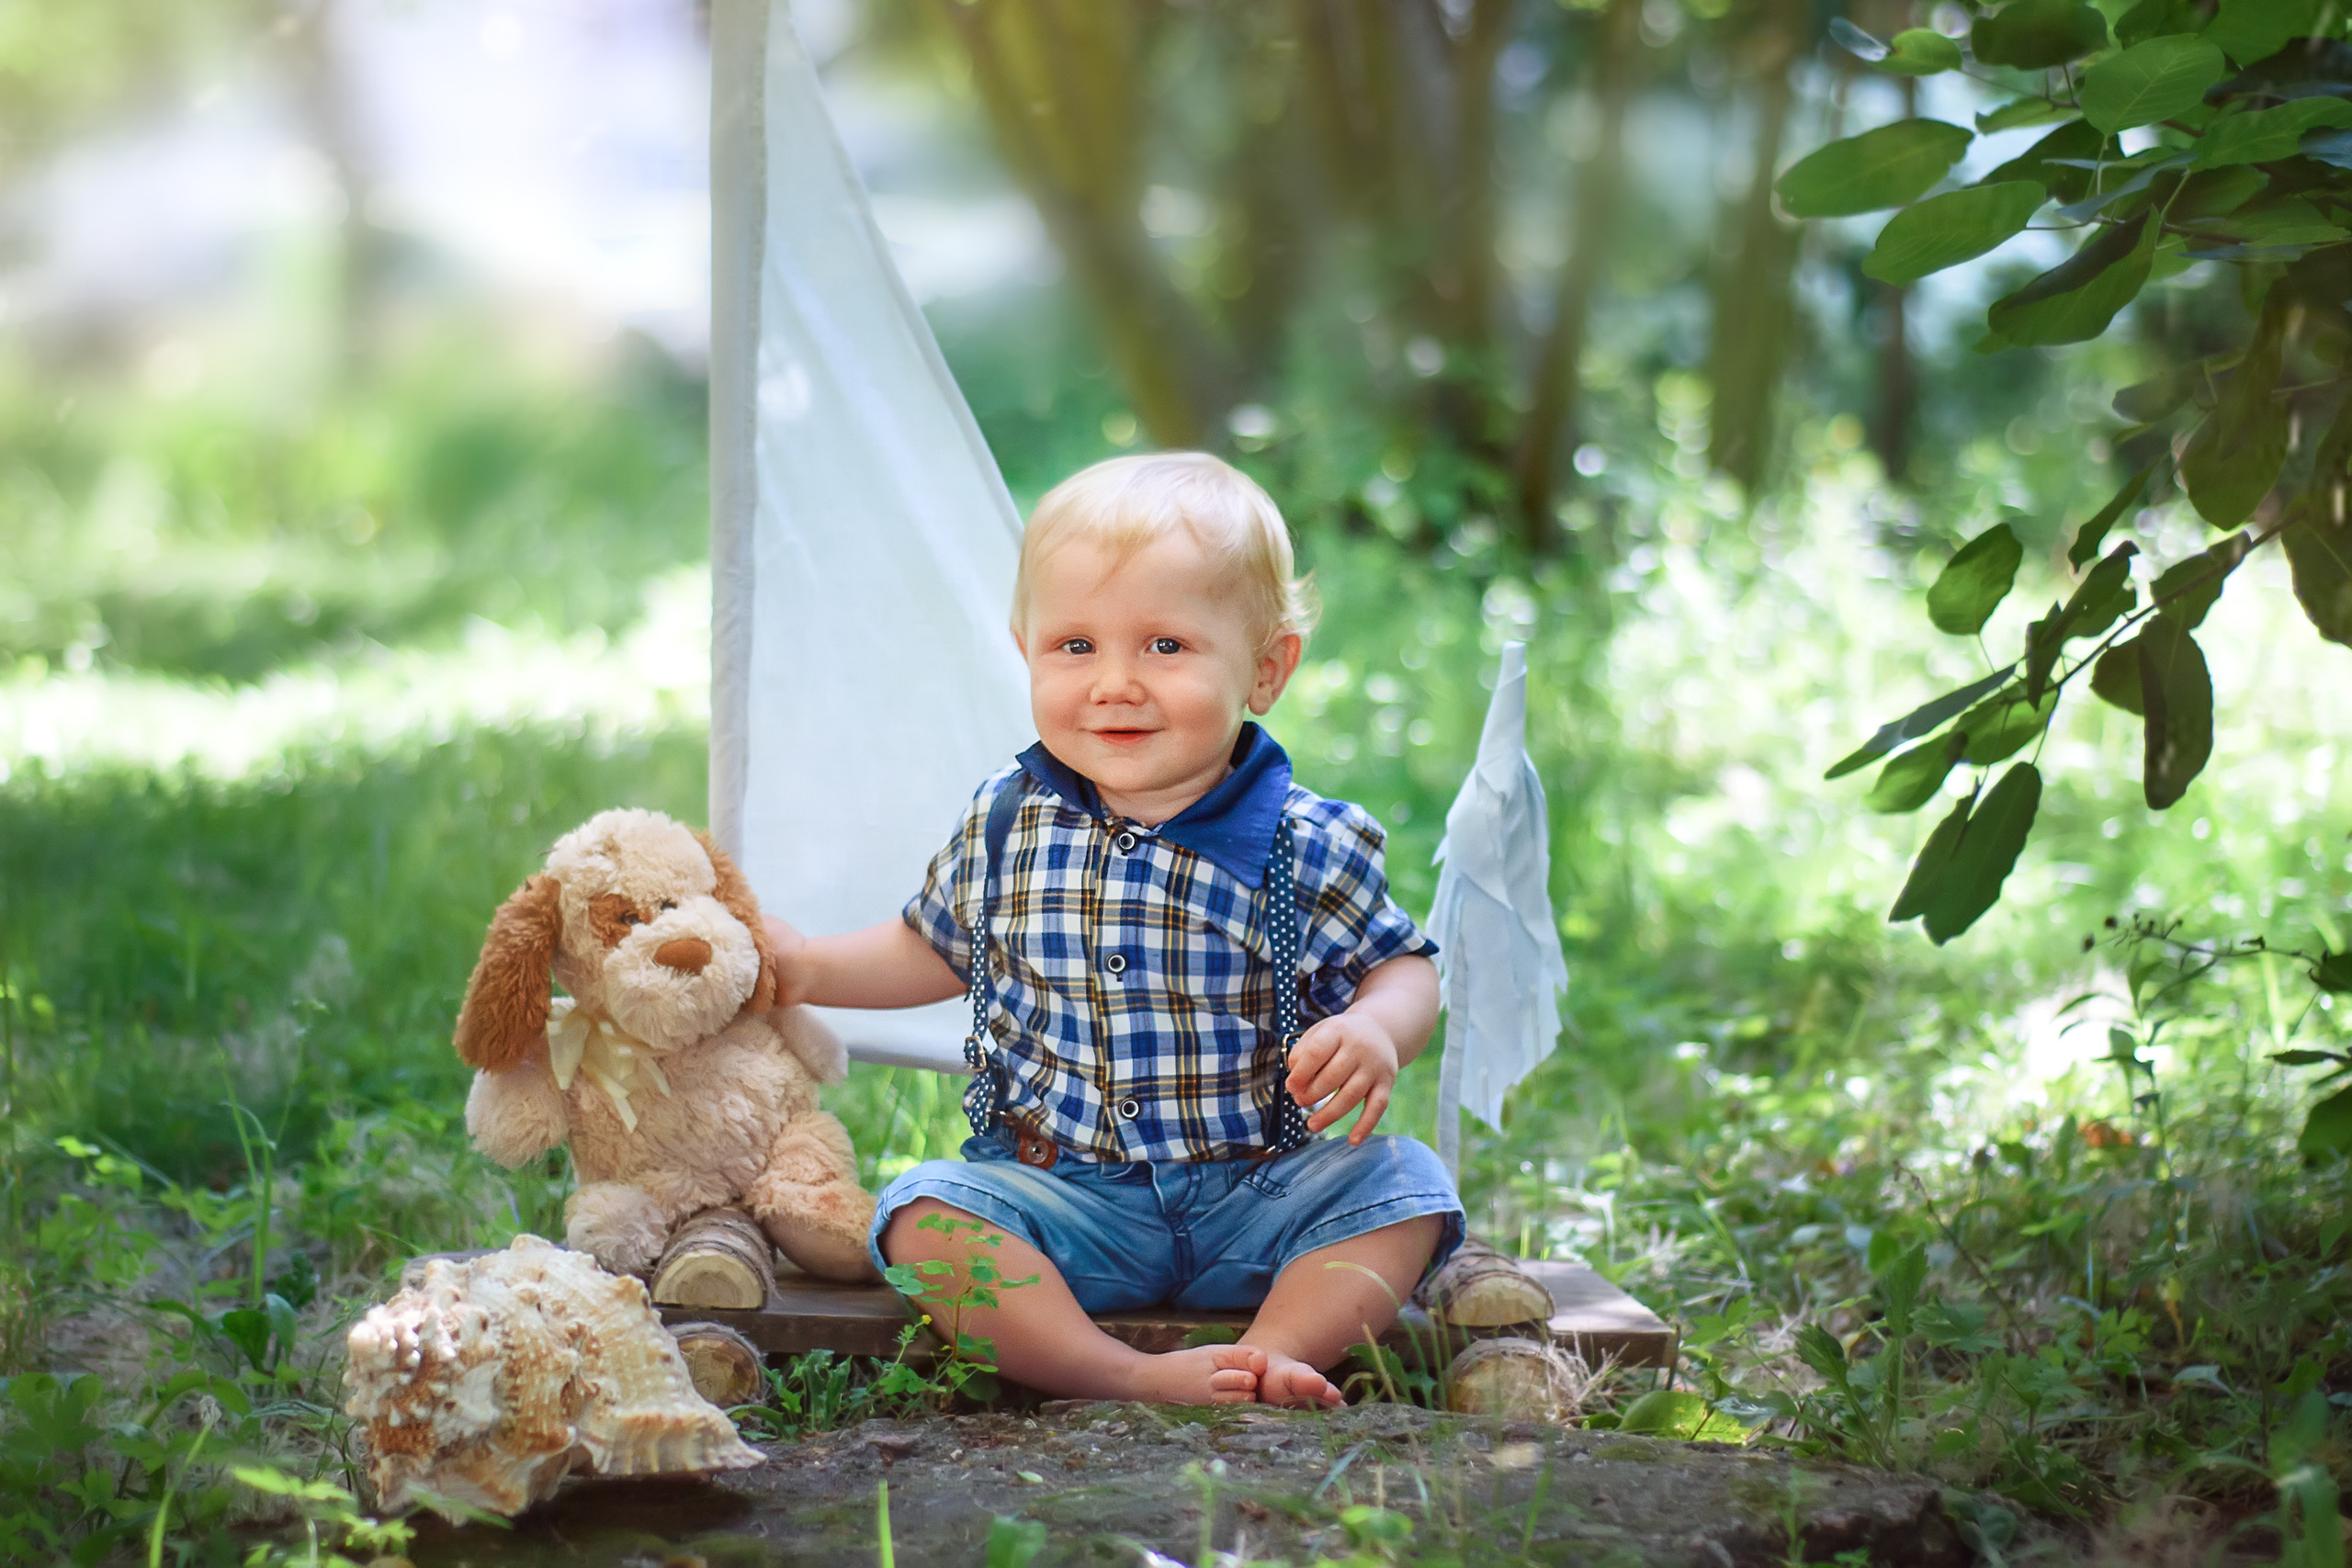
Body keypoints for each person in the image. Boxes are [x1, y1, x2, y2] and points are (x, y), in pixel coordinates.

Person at [763, 451, 1463, 1407]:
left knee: (1402, 1193)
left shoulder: (1307, 841)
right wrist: (803, 968)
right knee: (926, 1218)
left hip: (1260, 1194)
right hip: (1064, 1198)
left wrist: (1378, 1026)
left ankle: (1270, 1354)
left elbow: (1404, 967)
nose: (1115, 684)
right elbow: (932, 948)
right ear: (1026, 650)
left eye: (1166, 647)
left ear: (1265, 668)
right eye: (1076, 647)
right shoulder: (1006, 821)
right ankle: (1121, 1375)